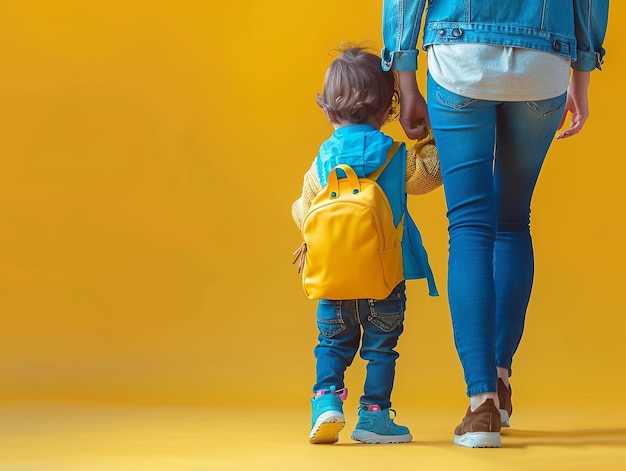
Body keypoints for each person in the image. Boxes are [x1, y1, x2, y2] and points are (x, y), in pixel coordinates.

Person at [381, 0, 609, 448]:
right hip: (544, 63)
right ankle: (501, 380)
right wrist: (581, 74)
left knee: (468, 225)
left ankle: (480, 402)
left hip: (459, 58)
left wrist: (405, 78)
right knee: (511, 218)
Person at [292, 44, 440, 444]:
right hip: (385, 278)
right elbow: (429, 175)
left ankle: (325, 403)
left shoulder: (321, 163)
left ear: (327, 111)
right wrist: (427, 137)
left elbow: (305, 212)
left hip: (333, 280)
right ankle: (374, 417)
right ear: (389, 110)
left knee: (331, 344)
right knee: (381, 350)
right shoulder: (394, 155)